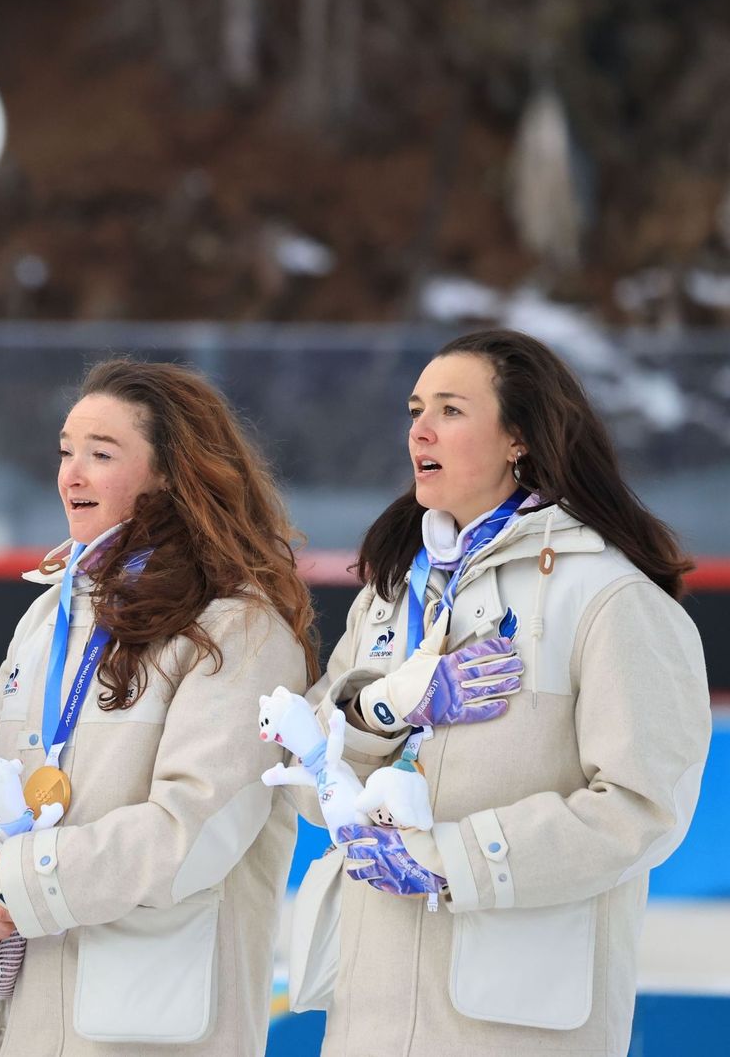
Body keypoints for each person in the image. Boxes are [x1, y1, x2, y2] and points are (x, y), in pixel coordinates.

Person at [0, 359, 320, 1056]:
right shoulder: (49, 617)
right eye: (66, 452)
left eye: (102, 453)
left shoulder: (239, 627)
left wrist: (14, 880)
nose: (72, 474)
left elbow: (191, 835)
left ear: (170, 474)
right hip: (18, 1028)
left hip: (155, 1032)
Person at [304, 328, 709, 1056]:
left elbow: (644, 808)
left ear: (518, 437)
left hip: (516, 1026)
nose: (419, 429)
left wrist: (451, 860)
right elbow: (308, 786)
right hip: (369, 1018)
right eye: (415, 407)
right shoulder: (394, 594)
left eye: (451, 410)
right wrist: (382, 708)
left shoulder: (611, 596)